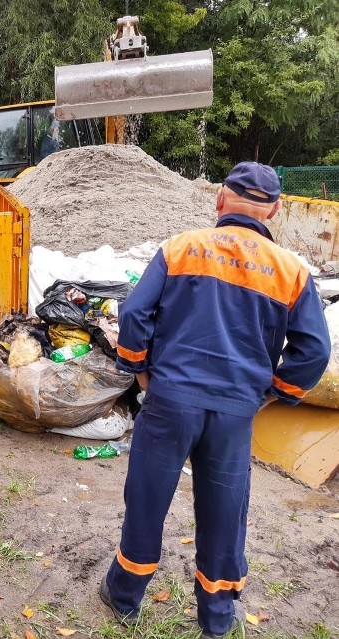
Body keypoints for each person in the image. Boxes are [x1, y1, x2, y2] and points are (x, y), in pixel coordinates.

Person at [99, 162, 331, 638]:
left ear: (220, 199)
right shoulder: (291, 273)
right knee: (226, 510)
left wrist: (141, 371)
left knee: (147, 497)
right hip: (234, 412)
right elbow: (315, 351)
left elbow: (135, 314)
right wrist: (273, 392)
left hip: (170, 401)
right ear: (275, 210)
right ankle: (217, 618)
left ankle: (124, 597)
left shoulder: (180, 249)